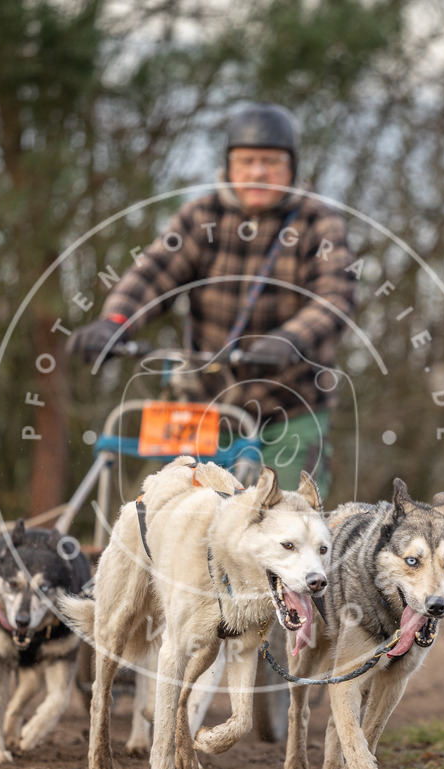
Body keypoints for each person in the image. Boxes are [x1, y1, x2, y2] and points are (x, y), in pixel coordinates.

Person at [67, 102, 357, 499]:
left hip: (288, 407)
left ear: (292, 168)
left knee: (290, 526)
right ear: (228, 166)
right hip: (204, 406)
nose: (258, 172)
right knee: (176, 517)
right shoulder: (201, 215)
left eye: (271, 162)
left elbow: (334, 297)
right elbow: (153, 274)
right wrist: (114, 323)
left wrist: (291, 339)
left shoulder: (318, 222)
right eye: (247, 161)